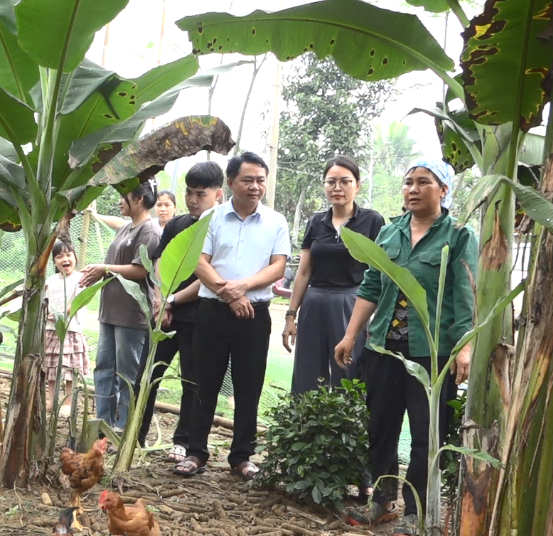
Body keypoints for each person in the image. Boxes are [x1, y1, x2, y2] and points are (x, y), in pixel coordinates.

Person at [333, 159, 477, 536]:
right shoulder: (390, 233)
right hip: (384, 348)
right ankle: (382, 502)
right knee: (380, 427)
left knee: (427, 434)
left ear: (443, 190)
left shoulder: (459, 235)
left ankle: (417, 512)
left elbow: (466, 296)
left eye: (423, 182)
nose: (412, 189)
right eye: (408, 182)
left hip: (432, 353)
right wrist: (350, 335)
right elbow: (370, 287)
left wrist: (464, 349)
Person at [176, 152, 290, 480]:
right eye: (247, 180)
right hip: (211, 312)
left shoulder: (276, 221)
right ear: (230, 182)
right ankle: (196, 452)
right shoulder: (210, 218)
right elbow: (199, 261)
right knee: (203, 383)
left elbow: (278, 266)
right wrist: (229, 293)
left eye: (260, 180)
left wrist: (243, 288)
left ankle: (241, 456)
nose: (255, 186)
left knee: (248, 385)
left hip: (255, 314)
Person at [137, 162, 226, 460]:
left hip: (198, 317)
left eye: (200, 194)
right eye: (189, 192)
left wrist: (172, 301)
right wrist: (160, 300)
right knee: (146, 376)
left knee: (191, 380)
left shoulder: (219, 228)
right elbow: (160, 261)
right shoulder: (177, 224)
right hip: (164, 317)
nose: (192, 199)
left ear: (218, 195)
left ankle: (183, 442)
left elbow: (208, 276)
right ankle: (135, 436)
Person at [283, 156, 386, 394]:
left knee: (348, 370)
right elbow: (304, 272)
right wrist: (291, 315)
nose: (337, 188)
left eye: (345, 182)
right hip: (314, 302)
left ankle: (348, 418)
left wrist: (376, 320)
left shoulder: (372, 221)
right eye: (331, 182)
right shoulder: (316, 221)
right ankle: (304, 417)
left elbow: (380, 272)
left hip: (352, 303)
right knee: (308, 372)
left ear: (357, 185)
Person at [79, 181, 163, 432]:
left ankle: (123, 427)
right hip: (110, 311)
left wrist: (103, 268)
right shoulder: (127, 227)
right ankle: (102, 424)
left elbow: (140, 270)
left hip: (131, 314)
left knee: (128, 374)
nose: (119, 201)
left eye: (123, 196)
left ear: (139, 199)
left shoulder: (150, 231)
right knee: (104, 368)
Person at [44, 238, 91, 411]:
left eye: (68, 255)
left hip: (71, 331)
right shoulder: (50, 280)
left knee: (70, 371)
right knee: (51, 368)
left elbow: (78, 301)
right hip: (51, 331)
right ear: (54, 262)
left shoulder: (81, 279)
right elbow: (45, 300)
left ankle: (69, 404)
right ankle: (52, 401)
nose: (65, 259)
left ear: (75, 257)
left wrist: (60, 314)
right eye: (59, 256)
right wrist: (47, 315)